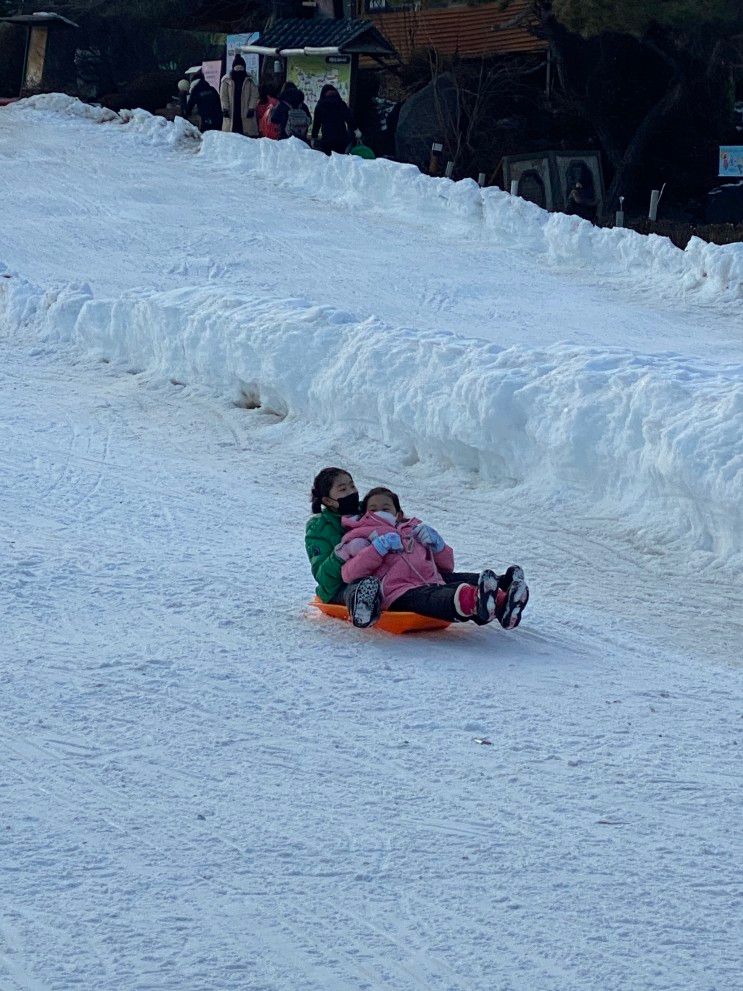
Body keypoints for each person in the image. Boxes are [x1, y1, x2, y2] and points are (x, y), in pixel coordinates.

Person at [337, 487, 529, 629]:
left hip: (431, 580)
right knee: (438, 597)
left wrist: (438, 546)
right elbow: (349, 574)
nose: (379, 511)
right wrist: (377, 549)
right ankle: (476, 601)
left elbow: (447, 567)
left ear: (399, 514)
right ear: (365, 514)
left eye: (386, 508)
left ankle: (504, 600)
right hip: (397, 592)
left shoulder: (413, 530)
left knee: (453, 582)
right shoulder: (360, 535)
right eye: (373, 508)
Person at [306, 467, 383, 628]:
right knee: (356, 587)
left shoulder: (369, 510)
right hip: (340, 586)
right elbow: (323, 577)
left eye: (352, 486)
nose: (351, 492)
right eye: (343, 489)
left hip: (379, 574)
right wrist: (343, 553)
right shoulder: (319, 528)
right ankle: (361, 605)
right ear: (327, 501)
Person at [219, 54, 258, 137]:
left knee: (246, 135)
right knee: (231, 135)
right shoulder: (226, 80)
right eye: (237, 68)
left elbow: (254, 95)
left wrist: (251, 108)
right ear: (233, 67)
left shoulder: (250, 79)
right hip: (231, 112)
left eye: (241, 68)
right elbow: (223, 96)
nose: (239, 70)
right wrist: (225, 108)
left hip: (246, 112)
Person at [311, 84, 354, 155]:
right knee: (341, 158)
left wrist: (314, 137)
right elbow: (349, 119)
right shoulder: (341, 104)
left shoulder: (320, 105)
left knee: (329, 159)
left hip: (327, 138)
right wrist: (355, 130)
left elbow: (316, 124)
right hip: (342, 138)